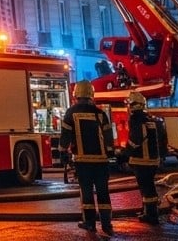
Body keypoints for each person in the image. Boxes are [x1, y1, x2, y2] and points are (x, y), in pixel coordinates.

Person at [61, 79, 114, 238]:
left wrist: (63, 153)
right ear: (91, 94)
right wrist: (109, 152)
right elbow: (108, 136)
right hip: (101, 161)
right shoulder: (100, 113)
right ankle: (107, 224)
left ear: (76, 94)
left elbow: (65, 137)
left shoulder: (71, 113)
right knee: (103, 192)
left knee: (87, 193)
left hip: (83, 161)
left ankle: (90, 223)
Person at [124, 91, 162, 225]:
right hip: (152, 160)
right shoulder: (149, 119)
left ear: (133, 105)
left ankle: (151, 215)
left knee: (146, 188)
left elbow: (135, 140)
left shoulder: (136, 119)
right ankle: (150, 212)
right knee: (149, 187)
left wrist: (125, 153)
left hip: (141, 161)